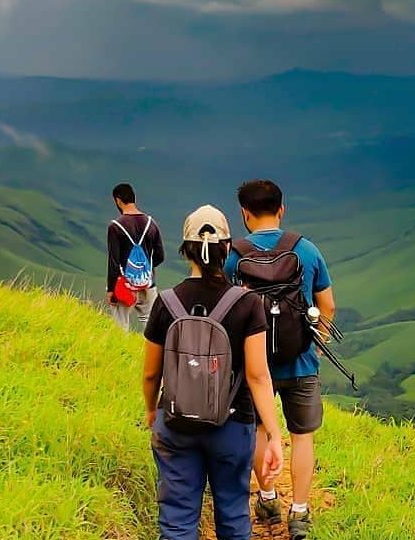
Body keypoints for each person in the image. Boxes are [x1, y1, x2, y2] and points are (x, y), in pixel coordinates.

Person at [142, 205, 284, 540]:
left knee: (177, 520)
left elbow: (151, 373)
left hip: (175, 422)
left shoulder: (166, 302)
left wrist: (152, 409)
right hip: (232, 426)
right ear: (226, 249)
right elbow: (258, 376)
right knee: (234, 515)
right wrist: (275, 435)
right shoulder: (248, 304)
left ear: (186, 249)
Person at [225, 180, 335, 539]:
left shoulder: (233, 257)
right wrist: (316, 342)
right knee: (301, 436)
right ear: (282, 209)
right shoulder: (306, 250)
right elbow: (327, 305)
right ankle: (300, 513)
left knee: (259, 429)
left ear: (244, 213)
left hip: (254, 367)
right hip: (301, 361)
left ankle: (268, 498)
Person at [107, 183, 165, 330]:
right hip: (148, 283)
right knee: (151, 328)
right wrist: (143, 270)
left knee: (120, 327)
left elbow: (114, 262)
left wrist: (111, 290)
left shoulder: (115, 226)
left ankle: (121, 353)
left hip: (124, 285)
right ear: (134, 198)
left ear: (118, 200)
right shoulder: (152, 224)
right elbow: (160, 256)